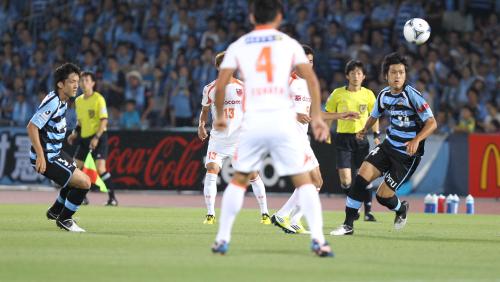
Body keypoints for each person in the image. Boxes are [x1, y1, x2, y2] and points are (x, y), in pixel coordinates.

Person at [211, 0, 333, 257]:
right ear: (279, 16)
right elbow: (311, 78)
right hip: (282, 120)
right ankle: (319, 241)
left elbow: (221, 84)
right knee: (305, 180)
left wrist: (221, 115)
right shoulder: (288, 44)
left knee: (239, 181)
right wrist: (319, 118)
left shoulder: (239, 46)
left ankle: (222, 239)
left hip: (254, 121)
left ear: (252, 16)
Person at [330, 52, 437, 236]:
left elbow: (432, 123)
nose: (397, 76)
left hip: (406, 156)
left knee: (382, 196)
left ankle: (400, 209)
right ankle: (348, 224)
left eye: (401, 73)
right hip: (388, 146)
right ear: (386, 75)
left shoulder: (412, 96)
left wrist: (416, 140)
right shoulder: (384, 95)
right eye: (394, 72)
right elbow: (375, 115)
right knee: (361, 177)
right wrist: (364, 129)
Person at [271, 45, 359, 234]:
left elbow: (314, 114)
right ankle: (283, 215)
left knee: (316, 182)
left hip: (302, 137)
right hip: (289, 136)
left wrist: (341, 115)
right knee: (313, 180)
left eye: (311, 61)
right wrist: (295, 115)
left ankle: (293, 219)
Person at [198, 51, 270, 225]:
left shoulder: (244, 87)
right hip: (218, 140)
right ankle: (210, 214)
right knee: (211, 169)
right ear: (217, 67)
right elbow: (205, 111)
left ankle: (265, 214)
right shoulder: (210, 89)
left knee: (253, 174)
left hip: (240, 139)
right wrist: (201, 125)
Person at [27, 62, 91, 232]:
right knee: (84, 182)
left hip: (54, 152)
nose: (76, 85)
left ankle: (56, 211)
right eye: (72, 81)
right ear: (60, 84)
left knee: (75, 176)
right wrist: (40, 156)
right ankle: (65, 219)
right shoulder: (54, 102)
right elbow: (32, 127)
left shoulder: (62, 101)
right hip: (47, 156)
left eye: (77, 81)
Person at [325, 60, 380, 222]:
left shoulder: (369, 94)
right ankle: (354, 207)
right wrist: (327, 131)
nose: (356, 76)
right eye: (353, 73)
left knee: (364, 177)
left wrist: (376, 134)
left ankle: (368, 212)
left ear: (363, 77)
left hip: (361, 139)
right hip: (343, 138)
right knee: (346, 180)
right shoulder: (337, 93)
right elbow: (328, 113)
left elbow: (374, 116)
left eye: (359, 73)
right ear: (347, 75)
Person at [67, 71, 118, 206]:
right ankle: (82, 197)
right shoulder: (78, 101)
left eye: (87, 80)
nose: (84, 83)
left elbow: (104, 121)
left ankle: (112, 198)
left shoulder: (99, 99)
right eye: (82, 81)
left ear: (93, 83)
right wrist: (74, 133)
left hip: (99, 137)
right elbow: (80, 122)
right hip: (84, 138)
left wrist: (96, 137)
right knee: (75, 168)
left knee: (100, 168)